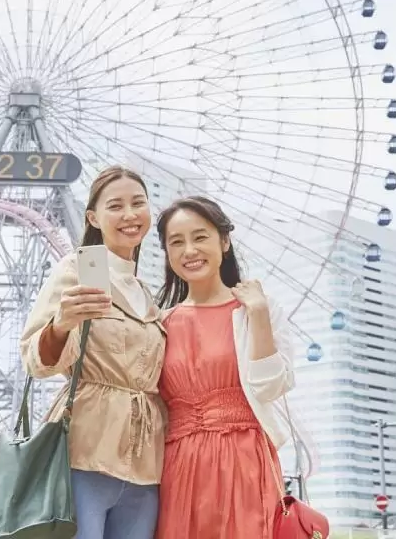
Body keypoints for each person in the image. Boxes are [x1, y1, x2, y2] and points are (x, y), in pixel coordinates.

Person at [19, 166, 167, 539]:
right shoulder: (83, 268)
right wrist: (60, 325)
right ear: (93, 217)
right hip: (87, 448)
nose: (130, 215)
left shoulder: (146, 291)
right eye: (115, 206)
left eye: (138, 203)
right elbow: (36, 359)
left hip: (146, 460)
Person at [153, 195, 295, 539]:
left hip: (245, 457)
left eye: (200, 237)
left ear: (224, 241)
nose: (189, 250)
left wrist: (258, 314)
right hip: (178, 463)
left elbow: (270, 387)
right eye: (177, 242)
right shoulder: (159, 323)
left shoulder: (257, 310)